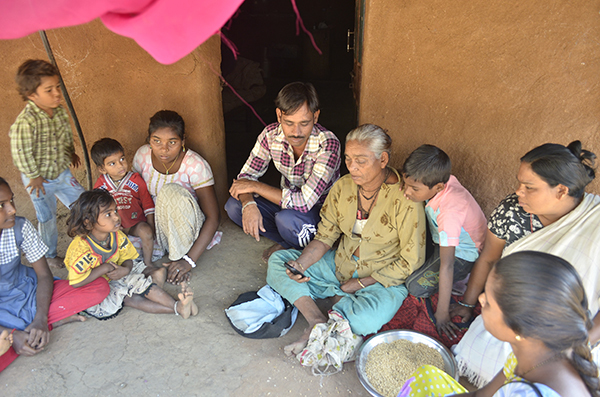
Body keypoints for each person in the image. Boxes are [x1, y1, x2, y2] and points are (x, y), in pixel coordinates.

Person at [266, 124, 426, 356]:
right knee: (279, 262)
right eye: (348, 159)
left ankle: (339, 303)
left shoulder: (406, 197)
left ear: (382, 159)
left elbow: (410, 261)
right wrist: (301, 265)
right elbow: (325, 236)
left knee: (366, 320)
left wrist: (361, 283)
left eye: (361, 160)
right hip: (340, 265)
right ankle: (316, 320)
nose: (352, 167)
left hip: (382, 278)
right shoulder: (343, 187)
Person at [451, 141, 600, 386]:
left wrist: (575, 347)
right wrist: (467, 304)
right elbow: (489, 257)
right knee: (483, 356)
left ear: (561, 191)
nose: (518, 191)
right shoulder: (513, 211)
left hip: (572, 337)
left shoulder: (594, 222)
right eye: (519, 183)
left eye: (529, 187)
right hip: (511, 313)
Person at [398, 251, 600, 397]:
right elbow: (482, 395)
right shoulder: (535, 354)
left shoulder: (528, 392)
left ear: (518, 328)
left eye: (489, 302)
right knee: (426, 376)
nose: (481, 299)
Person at [0, 178, 109, 373]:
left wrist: (41, 318)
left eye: (11, 201)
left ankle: (33, 329)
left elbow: (43, 275)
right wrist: (8, 334)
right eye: (1, 205)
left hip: (29, 293)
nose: (12, 210)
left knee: (98, 287)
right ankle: (22, 335)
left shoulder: (20, 226)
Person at [225, 82, 341, 262]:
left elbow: (303, 202)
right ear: (279, 115)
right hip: (287, 206)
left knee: (288, 220)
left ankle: (293, 243)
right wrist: (248, 204)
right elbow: (244, 178)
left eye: (304, 123)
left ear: (316, 117)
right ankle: (287, 240)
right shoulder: (270, 135)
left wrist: (254, 186)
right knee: (234, 207)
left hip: (320, 214)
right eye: (289, 123)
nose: (296, 132)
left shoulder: (328, 144)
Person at [64, 189, 198, 319]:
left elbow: (127, 258)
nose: (116, 217)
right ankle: (178, 307)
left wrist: (125, 269)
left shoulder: (116, 235)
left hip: (117, 274)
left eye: (115, 211)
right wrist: (104, 268)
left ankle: (178, 307)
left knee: (138, 284)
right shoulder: (80, 249)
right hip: (97, 287)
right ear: (88, 223)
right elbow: (77, 282)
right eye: (108, 214)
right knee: (131, 298)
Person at [401, 144, 487, 339]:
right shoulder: (439, 181)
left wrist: (442, 313)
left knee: (414, 286)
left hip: (462, 255)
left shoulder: (449, 212)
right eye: (406, 184)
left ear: (438, 187)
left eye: (414, 189)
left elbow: (447, 265)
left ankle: (464, 281)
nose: (406, 192)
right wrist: (412, 186)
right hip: (443, 241)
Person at [8, 59, 85, 268]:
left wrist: (70, 152)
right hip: (38, 181)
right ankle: (50, 255)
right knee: (47, 217)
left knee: (83, 202)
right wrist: (34, 175)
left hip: (61, 173)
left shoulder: (58, 111)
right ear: (32, 95)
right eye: (49, 90)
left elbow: (65, 134)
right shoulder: (25, 122)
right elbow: (20, 153)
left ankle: (92, 244)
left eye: (57, 87)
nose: (57, 94)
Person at [133, 110, 220, 285]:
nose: (163, 149)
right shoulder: (142, 156)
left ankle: (179, 258)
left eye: (172, 142)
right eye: (156, 141)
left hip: (188, 228)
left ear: (183, 141)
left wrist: (189, 260)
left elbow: (213, 217)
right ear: (148, 139)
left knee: (169, 191)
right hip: (156, 225)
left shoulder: (195, 165)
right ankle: (163, 250)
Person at [91, 138, 156, 268]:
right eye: (112, 163)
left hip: (135, 224)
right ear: (102, 169)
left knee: (147, 232)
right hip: (113, 227)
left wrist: (151, 227)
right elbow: (98, 212)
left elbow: (148, 205)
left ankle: (148, 263)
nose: (120, 165)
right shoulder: (100, 186)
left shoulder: (136, 180)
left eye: (122, 159)